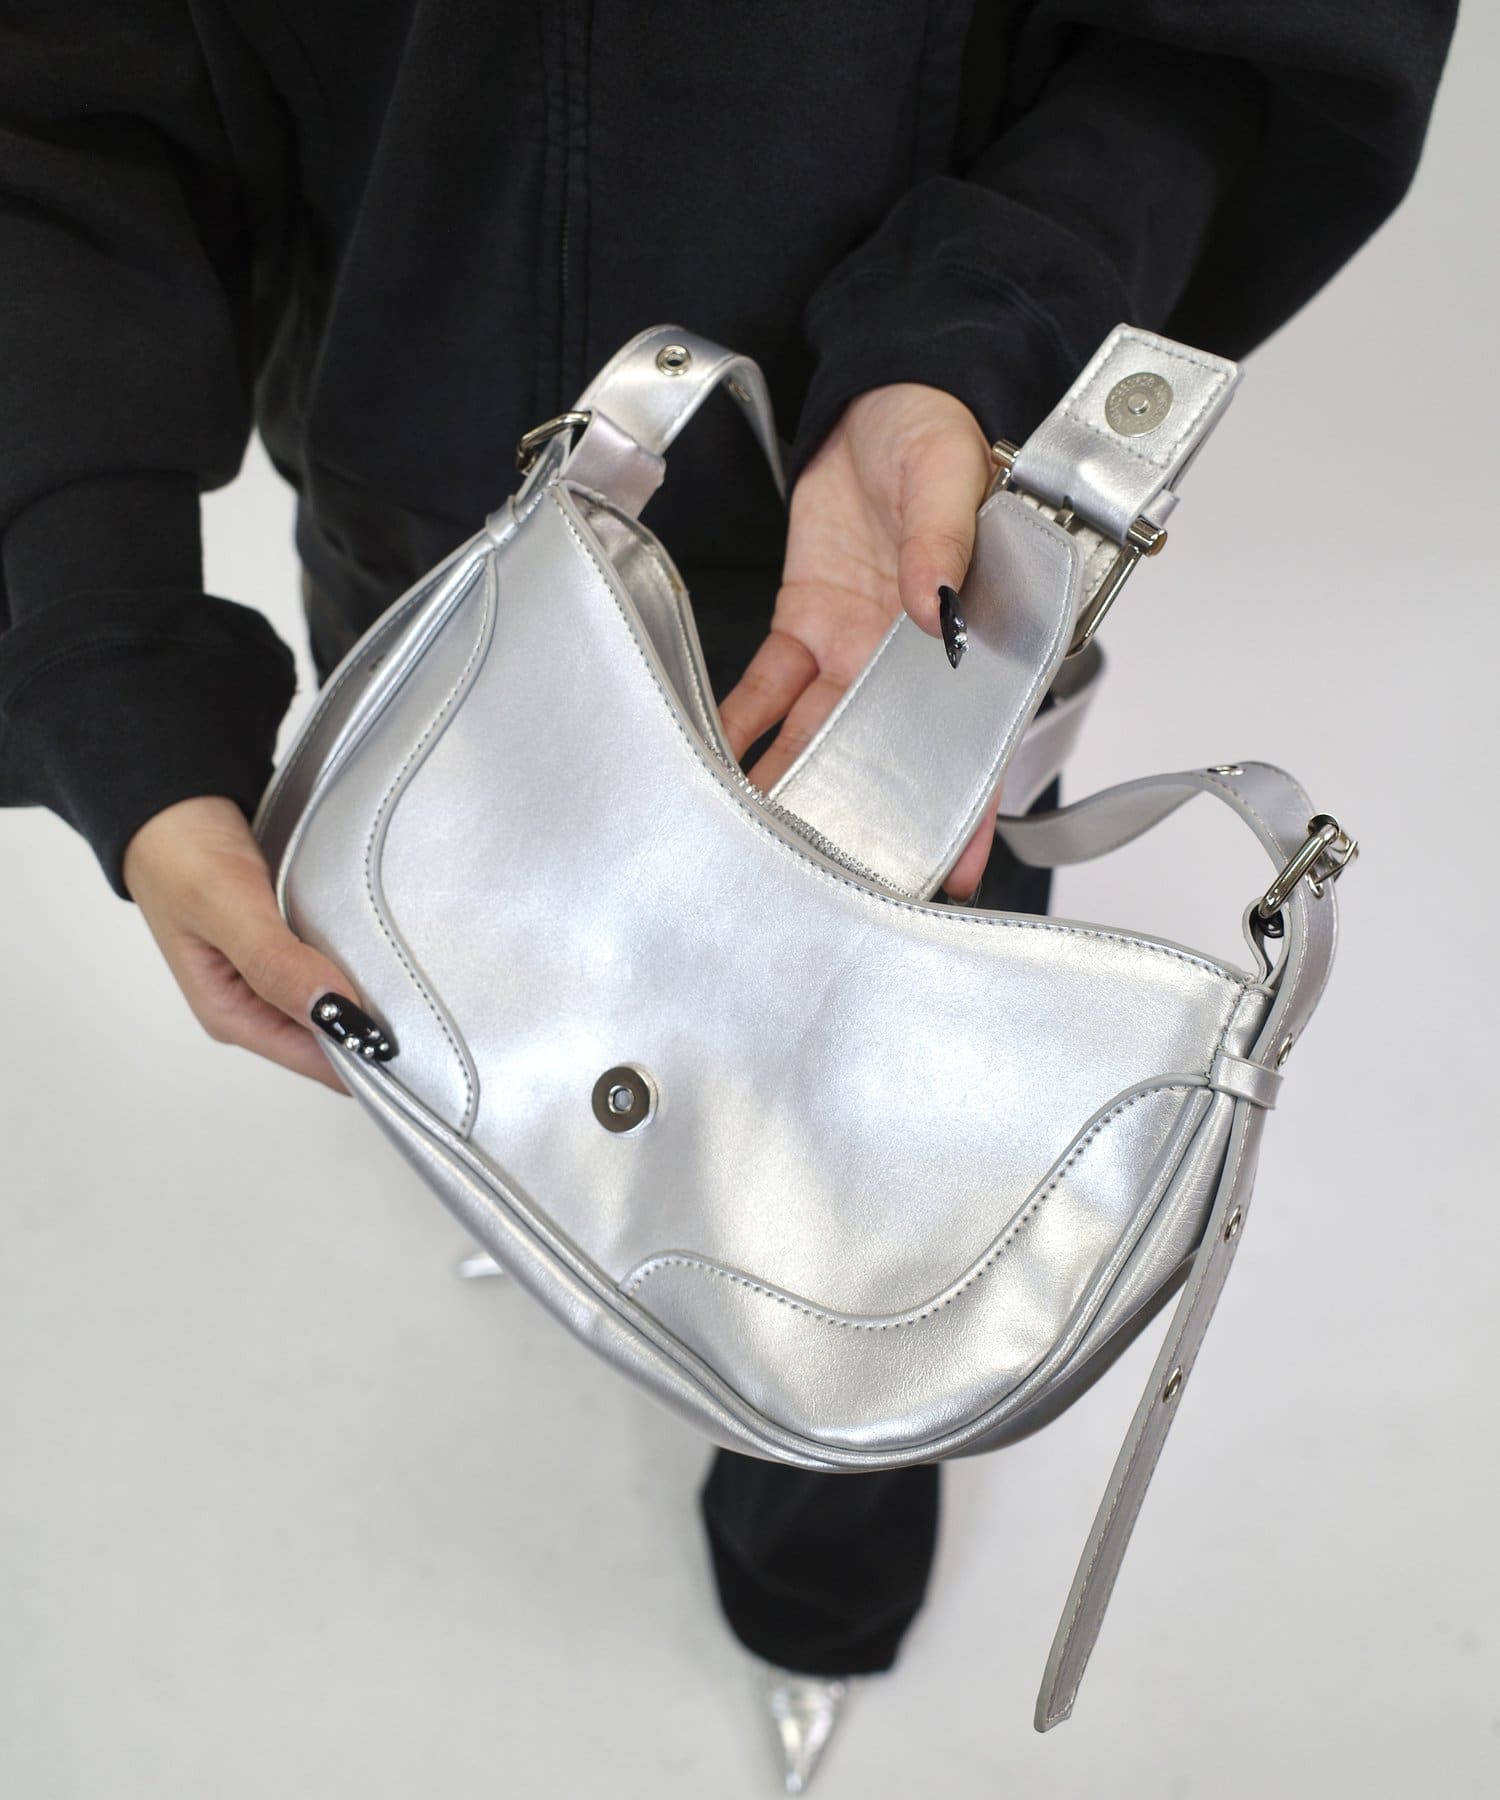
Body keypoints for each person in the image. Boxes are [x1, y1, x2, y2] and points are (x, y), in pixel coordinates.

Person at [0, 4, 1455, 1790]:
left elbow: (1242, 43)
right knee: (470, 989)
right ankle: (538, 1170)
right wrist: (104, 646)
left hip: (908, 576)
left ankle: (814, 1598)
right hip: (463, 542)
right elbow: (64, 109)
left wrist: (967, 335)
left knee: (850, 1231)